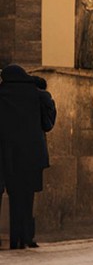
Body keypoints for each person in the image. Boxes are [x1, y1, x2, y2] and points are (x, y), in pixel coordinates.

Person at [0, 65, 56, 250]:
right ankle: (24, 237)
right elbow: (48, 124)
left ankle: (9, 240)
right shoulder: (38, 94)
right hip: (30, 155)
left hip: (4, 154)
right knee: (25, 198)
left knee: (6, 194)